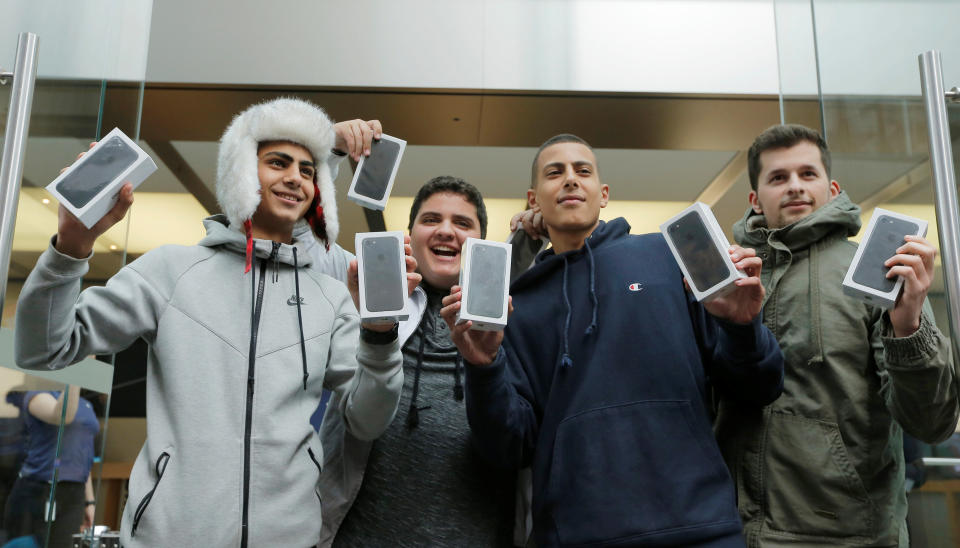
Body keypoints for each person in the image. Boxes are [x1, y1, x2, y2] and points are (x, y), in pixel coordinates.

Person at [14, 97, 414, 548]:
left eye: (307, 170)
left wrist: (379, 337)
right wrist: (70, 249)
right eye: (278, 162)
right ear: (241, 171)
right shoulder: (170, 271)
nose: (295, 179)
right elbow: (43, 349)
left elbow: (368, 420)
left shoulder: (331, 296)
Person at [441, 134, 784, 547]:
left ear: (603, 194)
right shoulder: (516, 305)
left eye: (582, 171)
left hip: (698, 527)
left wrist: (743, 328)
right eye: (555, 173)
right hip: (575, 535)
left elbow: (757, 388)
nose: (570, 180)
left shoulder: (670, 255)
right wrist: (483, 368)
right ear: (534, 200)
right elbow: (508, 448)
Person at [715, 124, 959, 547]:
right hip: (728, 527)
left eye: (807, 174)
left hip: (843, 534)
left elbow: (932, 422)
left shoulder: (879, 273)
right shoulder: (728, 279)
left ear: (832, 188)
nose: (794, 186)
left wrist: (909, 327)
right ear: (754, 199)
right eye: (778, 177)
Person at [320, 176, 518, 547]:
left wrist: (532, 239)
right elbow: (297, 232)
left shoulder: (510, 322)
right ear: (409, 236)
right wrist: (330, 145)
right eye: (431, 220)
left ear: (480, 244)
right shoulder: (360, 299)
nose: (446, 231)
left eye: (462, 223)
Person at [3, 386, 98, 548]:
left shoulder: (86, 404)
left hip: (75, 493)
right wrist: (76, 376)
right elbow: (63, 416)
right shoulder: (38, 395)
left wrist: (89, 501)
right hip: (39, 490)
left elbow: (83, 455)